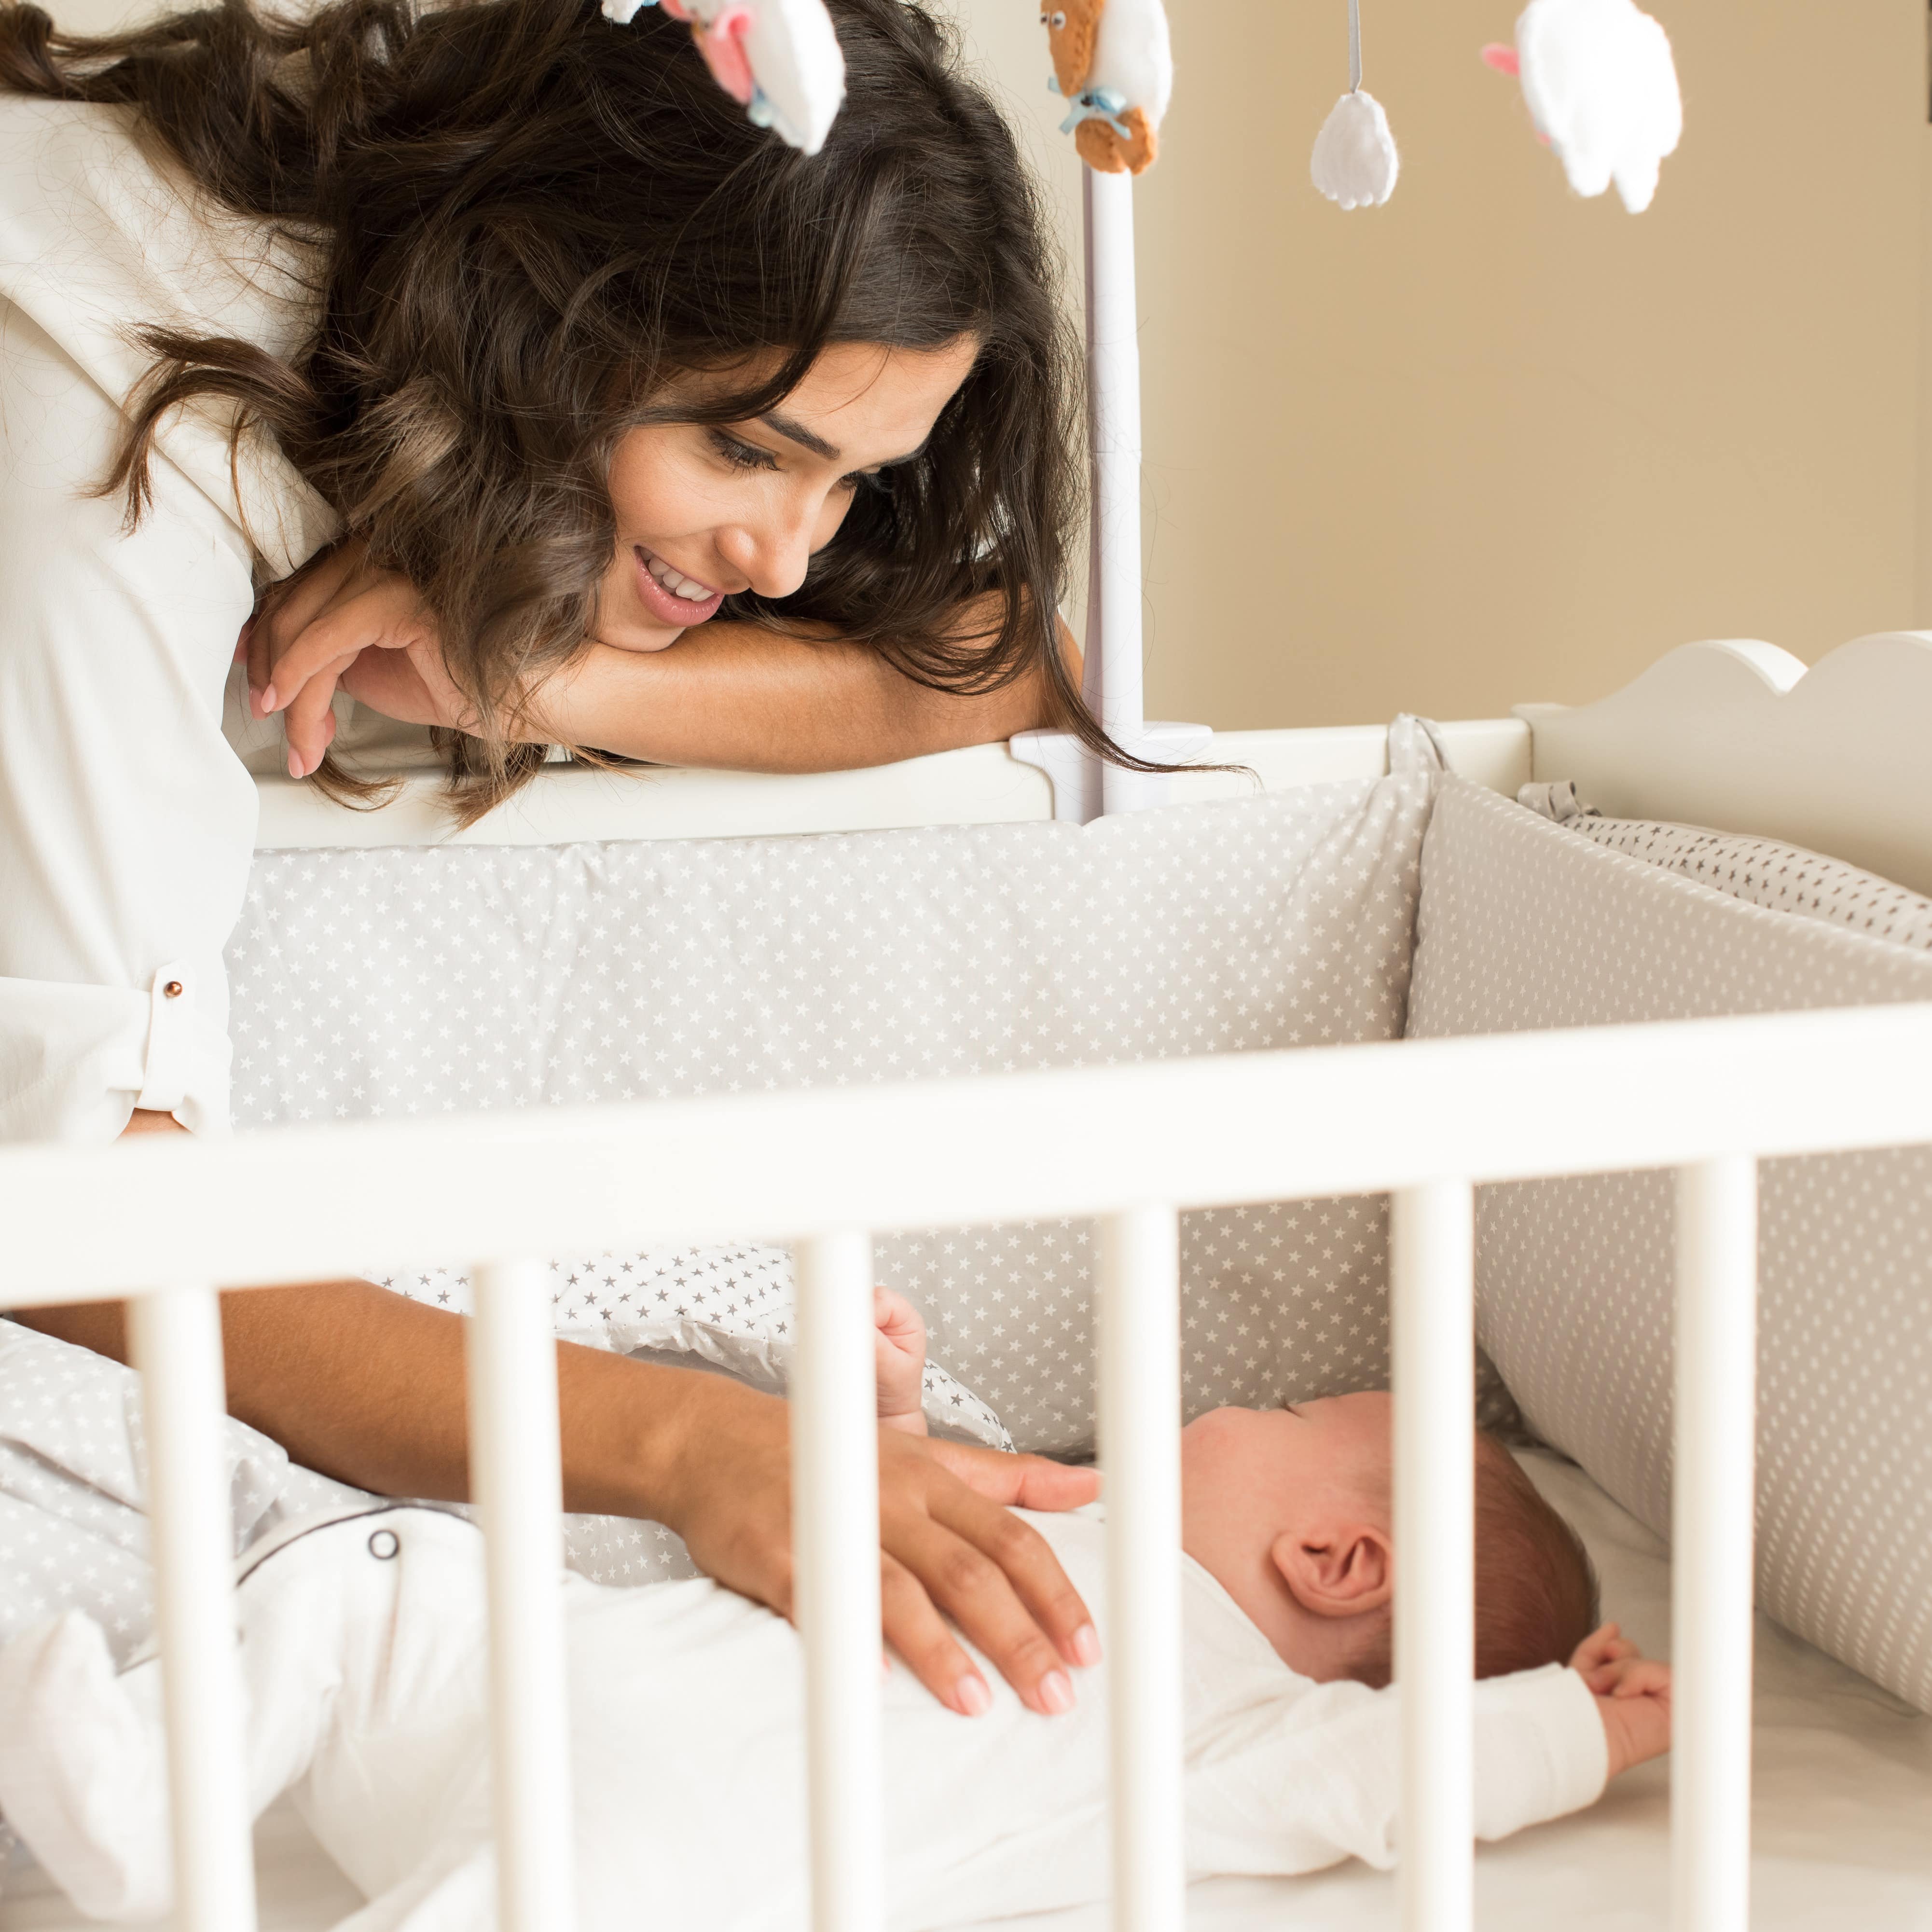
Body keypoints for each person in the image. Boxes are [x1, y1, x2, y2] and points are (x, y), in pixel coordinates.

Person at [0, 0, 1112, 1719]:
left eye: (850, 480)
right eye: (746, 451)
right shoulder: (103, 439)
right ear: (541, 303)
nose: (779, 554)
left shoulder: (466, 230)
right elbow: (90, 1224)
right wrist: (687, 1442)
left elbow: (1014, 662)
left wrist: (533, 664)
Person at [0, 1293, 1673, 1930]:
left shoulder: (1240, 1719)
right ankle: (160, 1794)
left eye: (1306, 1418)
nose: (1251, 1405)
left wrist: (1565, 1731)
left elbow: (1382, 1784)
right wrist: (879, 1418)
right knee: (380, 1571)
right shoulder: (1040, 1505)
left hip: (681, 1839)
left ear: (1336, 1561)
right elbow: (849, 1530)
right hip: (519, 1678)